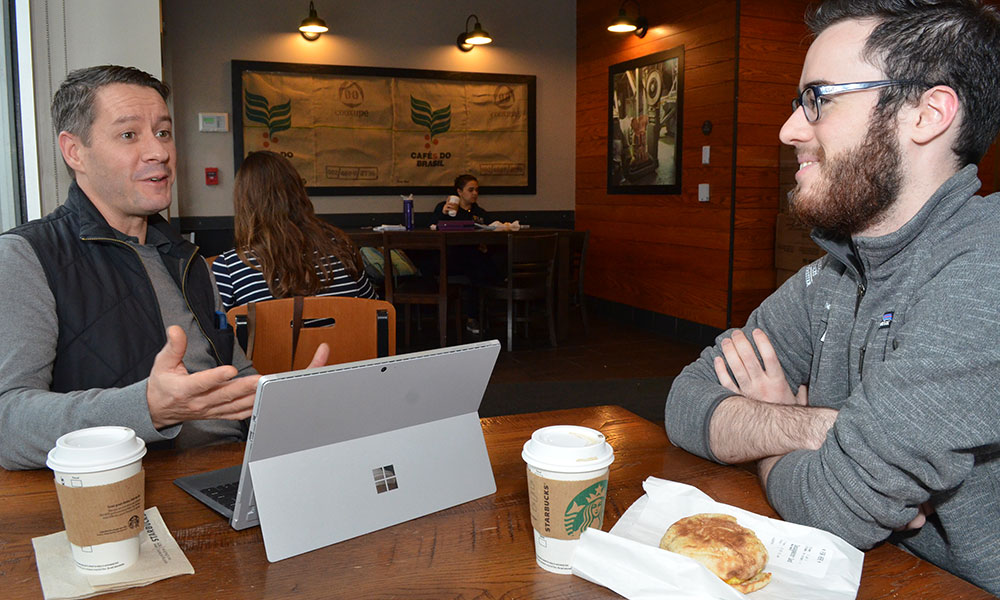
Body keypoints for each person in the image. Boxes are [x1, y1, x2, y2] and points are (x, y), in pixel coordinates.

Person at [664, 1, 1000, 595]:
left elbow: (832, 506)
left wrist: (772, 436)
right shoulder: (835, 276)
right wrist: (818, 429)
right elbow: (686, 403)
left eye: (818, 98)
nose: (790, 128)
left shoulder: (987, 265)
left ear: (928, 113)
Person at [0, 66, 327, 471]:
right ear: (74, 151)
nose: (159, 152)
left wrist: (284, 400)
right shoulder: (27, 256)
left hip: (233, 468)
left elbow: (235, 375)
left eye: (163, 132)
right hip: (134, 490)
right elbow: (8, 422)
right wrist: (148, 409)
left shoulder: (187, 258)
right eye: (128, 135)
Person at [211, 150, 377, 314]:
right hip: (342, 342)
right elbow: (376, 313)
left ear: (243, 203)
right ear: (298, 192)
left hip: (270, 342)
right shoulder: (342, 248)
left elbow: (212, 333)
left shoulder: (229, 268)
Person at [432, 174, 500, 336]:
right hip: (451, 258)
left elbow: (492, 229)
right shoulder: (445, 208)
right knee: (478, 266)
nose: (475, 193)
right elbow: (433, 226)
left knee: (484, 262)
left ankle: (476, 316)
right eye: (471, 190)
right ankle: (473, 317)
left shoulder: (479, 212)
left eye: (477, 190)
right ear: (459, 192)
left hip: (475, 258)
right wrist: (443, 214)